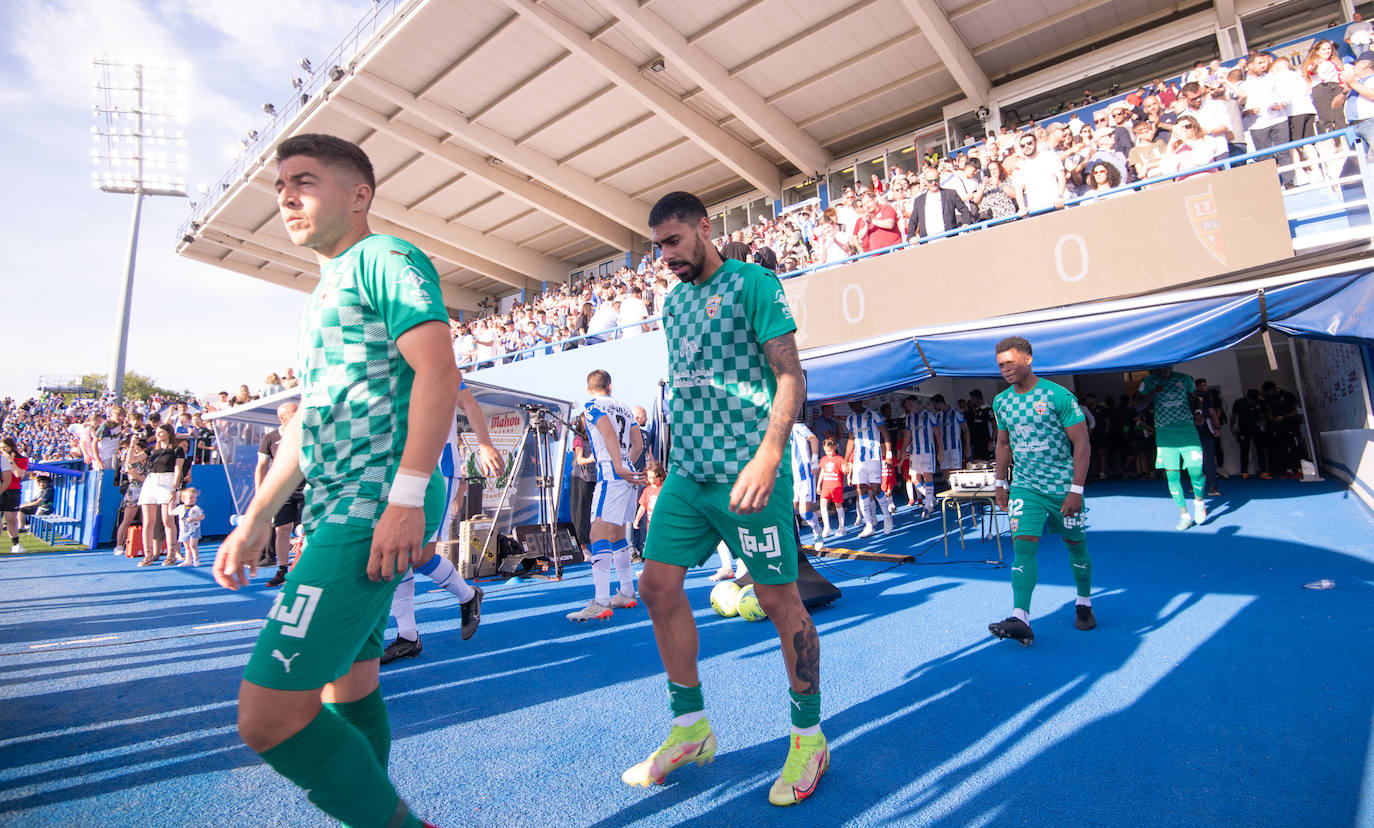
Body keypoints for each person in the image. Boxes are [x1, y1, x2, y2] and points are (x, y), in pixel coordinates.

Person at [212, 134, 457, 828]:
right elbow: (308, 421)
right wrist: (259, 515)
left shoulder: (383, 257)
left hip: (373, 502)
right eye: (281, 185)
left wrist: (405, 501)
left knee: (268, 717)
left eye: (305, 181)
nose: (286, 195)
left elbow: (439, 373)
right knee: (346, 687)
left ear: (359, 195)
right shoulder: (323, 292)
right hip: (340, 504)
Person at [628, 191, 826, 807]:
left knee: (777, 601)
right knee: (655, 586)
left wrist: (770, 454)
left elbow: (791, 375)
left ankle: (809, 737)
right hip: (689, 476)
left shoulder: (754, 284)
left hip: (750, 470)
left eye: (674, 242)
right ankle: (691, 729)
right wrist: (661, 470)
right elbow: (684, 392)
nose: (666, 256)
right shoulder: (672, 302)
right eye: (659, 245)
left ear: (704, 229)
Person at [382, 387, 505, 663]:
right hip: (401, 469)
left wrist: (484, 445)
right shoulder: (389, 368)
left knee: (420, 556)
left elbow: (469, 403)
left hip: (438, 470)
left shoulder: (432, 358)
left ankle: (468, 595)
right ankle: (408, 636)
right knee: (398, 552)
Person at [987, 336, 1094, 647]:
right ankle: (1021, 618)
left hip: (1063, 488)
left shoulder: (1057, 395)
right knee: (1023, 549)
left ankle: (1084, 603)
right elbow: (1003, 444)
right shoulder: (1001, 401)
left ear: (1028, 359)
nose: (1005, 369)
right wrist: (1001, 482)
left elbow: (1082, 442)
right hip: (1026, 487)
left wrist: (1076, 489)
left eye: (1010, 362)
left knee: (1076, 547)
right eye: (1000, 365)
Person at [567, 369, 645, 621]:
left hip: (612, 475)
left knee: (597, 533)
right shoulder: (623, 406)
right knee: (616, 535)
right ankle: (626, 591)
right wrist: (627, 465)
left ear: (589, 389)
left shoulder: (591, 405)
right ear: (610, 386)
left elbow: (609, 433)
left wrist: (618, 466)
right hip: (626, 475)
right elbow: (638, 443)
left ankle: (600, 601)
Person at [1137, 366, 1208, 530]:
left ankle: (1198, 502)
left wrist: (1198, 412)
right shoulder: (1148, 382)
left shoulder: (1184, 379)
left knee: (1196, 471)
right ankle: (1184, 515)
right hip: (1165, 433)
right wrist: (1153, 393)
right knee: (1172, 477)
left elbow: (1195, 398)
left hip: (1187, 430)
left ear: (1171, 365)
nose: (1163, 372)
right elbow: (1138, 405)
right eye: (1159, 369)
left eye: (1166, 368)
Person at [138, 425, 185, 566]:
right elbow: (133, 459)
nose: (158, 435)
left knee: (167, 520)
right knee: (148, 521)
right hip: (152, 480)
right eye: (157, 433)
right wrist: (132, 446)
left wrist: (174, 488)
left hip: (168, 481)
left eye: (161, 432)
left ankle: (171, 554)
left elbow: (178, 469)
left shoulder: (177, 450)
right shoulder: (152, 450)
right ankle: (148, 555)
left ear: (168, 434)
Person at [789, 418, 825, 550]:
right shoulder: (777, 429)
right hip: (790, 478)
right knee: (790, 513)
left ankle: (817, 532)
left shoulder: (797, 425)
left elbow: (814, 439)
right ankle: (796, 543)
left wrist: (814, 460)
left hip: (804, 475)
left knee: (804, 513)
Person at [902, 395, 938, 516]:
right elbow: (907, 435)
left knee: (928, 477)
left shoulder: (929, 415)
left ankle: (927, 506)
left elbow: (938, 434)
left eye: (910, 405)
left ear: (917, 404)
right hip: (914, 452)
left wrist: (941, 451)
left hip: (927, 451)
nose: (908, 408)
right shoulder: (909, 418)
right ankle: (931, 497)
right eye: (907, 406)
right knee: (914, 479)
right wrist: (903, 451)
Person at [113, 438, 148, 556]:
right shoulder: (131, 462)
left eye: (138, 450)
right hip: (134, 492)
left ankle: (146, 545)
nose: (135, 453)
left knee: (147, 520)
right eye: (134, 450)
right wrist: (132, 445)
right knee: (127, 519)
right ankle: (119, 545)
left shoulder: (150, 462)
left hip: (148, 491)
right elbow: (134, 473)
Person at [1231, 388, 1268, 478]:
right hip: (1244, 429)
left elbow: (1264, 416)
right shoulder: (1239, 402)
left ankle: (1263, 471)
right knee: (1244, 450)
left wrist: (1263, 424)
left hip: (1257, 428)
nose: (1252, 401)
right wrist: (1233, 428)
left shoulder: (1260, 402)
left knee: (1260, 450)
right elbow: (1234, 416)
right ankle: (1244, 472)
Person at [0, 438, 27, 552]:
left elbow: (18, 474)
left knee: (11, 519)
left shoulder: (22, 459)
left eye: (4, 447)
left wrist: (11, 461)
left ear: (11, 447)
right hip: (2, 489)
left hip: (12, 490)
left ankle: (16, 544)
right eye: (1, 448)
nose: (2, 450)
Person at [816, 438, 847, 536]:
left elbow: (844, 471)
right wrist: (818, 484)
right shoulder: (824, 459)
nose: (828, 453)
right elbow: (822, 472)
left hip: (836, 486)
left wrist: (847, 469)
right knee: (823, 505)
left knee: (838, 505)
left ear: (835, 447)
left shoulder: (840, 459)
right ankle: (827, 527)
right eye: (826, 451)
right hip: (826, 486)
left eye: (830, 451)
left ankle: (841, 527)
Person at [172, 487, 205, 567]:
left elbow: (202, 516)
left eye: (195, 497)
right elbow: (171, 513)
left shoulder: (196, 508)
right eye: (191, 497)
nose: (193, 499)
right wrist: (170, 503)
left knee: (193, 544)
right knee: (187, 546)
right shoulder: (180, 508)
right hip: (184, 530)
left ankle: (196, 559)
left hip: (194, 529)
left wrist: (194, 519)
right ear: (183, 499)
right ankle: (188, 560)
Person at [966, 389, 995, 462]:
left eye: (972, 398)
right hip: (978, 443)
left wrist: (992, 440)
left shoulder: (987, 409)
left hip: (987, 442)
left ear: (975, 398)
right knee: (977, 463)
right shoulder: (977, 410)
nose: (971, 400)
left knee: (990, 463)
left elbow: (995, 426)